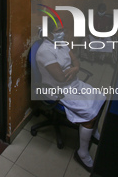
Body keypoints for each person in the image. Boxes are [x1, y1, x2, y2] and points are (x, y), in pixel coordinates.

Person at [36, 18, 106, 172]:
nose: (62, 33)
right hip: (59, 90)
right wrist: (73, 69)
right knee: (90, 113)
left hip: (73, 83)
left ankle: (93, 131)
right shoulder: (44, 52)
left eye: (63, 30)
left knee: (100, 97)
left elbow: (76, 62)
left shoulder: (62, 43)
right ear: (48, 33)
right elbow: (60, 78)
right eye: (58, 31)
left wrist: (74, 69)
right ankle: (82, 153)